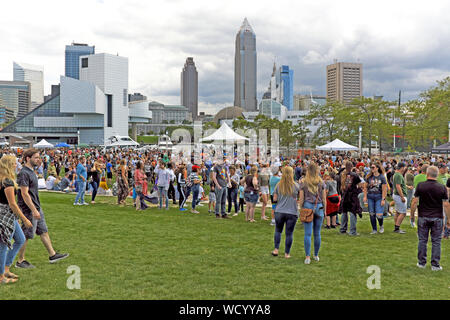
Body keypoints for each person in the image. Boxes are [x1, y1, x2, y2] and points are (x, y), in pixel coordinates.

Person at [15, 148, 69, 269]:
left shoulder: (31, 171)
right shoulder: (24, 173)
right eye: (36, 157)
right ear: (28, 159)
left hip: (36, 207)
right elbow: (24, 193)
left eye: (39, 157)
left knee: (43, 231)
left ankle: (52, 255)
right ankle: (20, 261)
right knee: (26, 235)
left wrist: (36, 209)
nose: (39, 159)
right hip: (29, 209)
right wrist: (33, 210)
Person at [0, 155, 33, 284]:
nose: (16, 165)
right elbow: (12, 204)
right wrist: (24, 219)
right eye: (14, 163)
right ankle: (1, 276)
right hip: (5, 216)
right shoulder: (7, 182)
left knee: (20, 239)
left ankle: (6, 268)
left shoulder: (5, 180)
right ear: (8, 165)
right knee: (3, 245)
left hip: (8, 216)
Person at [410, 166, 450, 271]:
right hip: (437, 217)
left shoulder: (420, 186)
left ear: (427, 174)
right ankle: (435, 265)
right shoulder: (441, 187)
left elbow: (414, 201)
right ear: (437, 175)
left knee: (422, 240)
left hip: (423, 215)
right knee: (436, 241)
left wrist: (412, 214)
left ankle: (421, 263)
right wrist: (448, 219)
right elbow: (446, 204)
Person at [299, 163, 327, 264]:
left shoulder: (303, 182)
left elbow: (301, 199)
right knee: (317, 233)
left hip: (307, 206)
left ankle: (307, 256)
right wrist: (325, 211)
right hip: (319, 207)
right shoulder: (321, 182)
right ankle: (316, 254)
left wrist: (300, 208)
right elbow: (324, 199)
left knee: (307, 233)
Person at [271, 166, 301, 259]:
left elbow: (274, 199)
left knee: (278, 231)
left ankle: (276, 249)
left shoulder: (278, 185)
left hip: (280, 210)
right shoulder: (296, 185)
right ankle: (287, 253)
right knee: (289, 233)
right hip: (292, 211)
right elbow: (299, 198)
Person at [339, 161, 362, 236]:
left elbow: (343, 187)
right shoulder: (354, 175)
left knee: (344, 212)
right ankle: (352, 231)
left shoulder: (343, 174)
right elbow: (359, 185)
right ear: (352, 166)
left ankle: (343, 229)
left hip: (345, 195)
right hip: (352, 196)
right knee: (352, 212)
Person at [363, 163, 387, 234]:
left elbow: (384, 189)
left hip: (379, 196)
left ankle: (381, 225)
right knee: (372, 213)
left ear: (377, 168)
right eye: (371, 167)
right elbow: (365, 187)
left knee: (379, 214)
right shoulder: (369, 177)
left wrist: (383, 199)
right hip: (370, 196)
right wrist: (365, 196)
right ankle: (374, 229)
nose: (372, 169)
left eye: (373, 167)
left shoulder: (382, 177)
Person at [392, 162, 408, 234]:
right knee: (403, 213)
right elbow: (398, 186)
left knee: (398, 212)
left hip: (397, 195)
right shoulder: (398, 175)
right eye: (404, 167)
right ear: (402, 167)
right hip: (399, 196)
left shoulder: (397, 174)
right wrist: (402, 197)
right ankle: (397, 228)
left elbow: (400, 185)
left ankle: (396, 227)